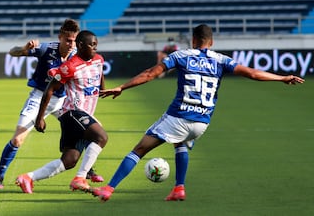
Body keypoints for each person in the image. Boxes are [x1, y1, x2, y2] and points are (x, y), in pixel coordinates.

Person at [91, 24, 305, 202]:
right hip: (202, 123)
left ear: (193, 40)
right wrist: (282, 78)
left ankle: (108, 189)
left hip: (178, 117)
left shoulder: (181, 56)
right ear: (211, 42)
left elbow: (149, 74)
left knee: (140, 149)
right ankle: (179, 188)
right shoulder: (222, 60)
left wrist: (122, 87)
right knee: (180, 143)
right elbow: (253, 74)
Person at [0, 19, 103, 189]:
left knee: (85, 129)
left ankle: (88, 171)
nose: (71, 44)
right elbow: (12, 52)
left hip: (64, 101)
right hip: (39, 98)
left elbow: (96, 66)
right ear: (60, 37)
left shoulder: (77, 53)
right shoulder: (45, 49)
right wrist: (23, 49)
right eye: (67, 40)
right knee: (17, 139)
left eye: (73, 41)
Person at [15, 30, 108, 194]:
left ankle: (28, 177)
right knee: (101, 137)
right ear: (80, 45)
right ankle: (80, 179)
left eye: (96, 44)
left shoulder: (99, 60)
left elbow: (99, 74)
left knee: (69, 160)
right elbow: (49, 89)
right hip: (72, 112)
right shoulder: (70, 66)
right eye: (91, 44)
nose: (94, 48)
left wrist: (103, 89)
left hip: (82, 115)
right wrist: (39, 118)